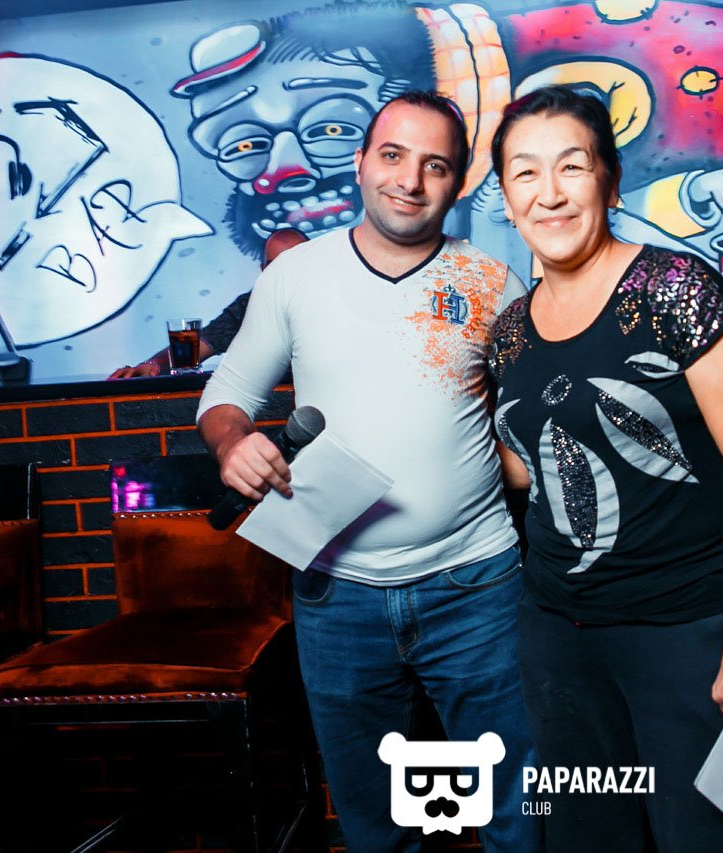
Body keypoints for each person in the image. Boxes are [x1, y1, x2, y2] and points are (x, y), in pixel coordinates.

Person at [195, 91, 537, 852]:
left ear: (457, 183)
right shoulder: (295, 276)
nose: (409, 180)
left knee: (519, 811)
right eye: (392, 156)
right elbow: (226, 398)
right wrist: (232, 442)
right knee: (376, 824)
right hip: (336, 594)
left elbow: (531, 431)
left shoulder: (493, 283)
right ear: (359, 163)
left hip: (476, 585)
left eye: (435, 166)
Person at [487, 85, 723, 851]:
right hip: (558, 638)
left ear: (610, 182)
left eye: (572, 167)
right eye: (525, 173)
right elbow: (526, 471)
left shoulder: (676, 290)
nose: (550, 193)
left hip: (683, 633)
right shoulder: (510, 331)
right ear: (507, 200)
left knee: (701, 838)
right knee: (586, 839)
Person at [108, 229, 308, 378]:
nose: (284, 273)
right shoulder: (249, 306)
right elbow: (192, 351)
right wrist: (153, 364)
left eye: (294, 263)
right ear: (263, 269)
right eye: (275, 265)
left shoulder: (328, 295)